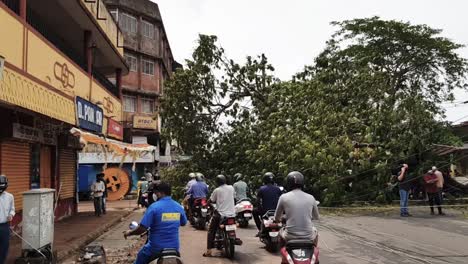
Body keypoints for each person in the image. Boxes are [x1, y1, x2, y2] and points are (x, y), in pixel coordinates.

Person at [123, 181, 187, 264]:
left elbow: (142, 228)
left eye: (155, 193)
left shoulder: (154, 207)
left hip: (155, 248)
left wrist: (129, 233)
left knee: (140, 257)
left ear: (160, 193)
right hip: (174, 248)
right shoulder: (178, 207)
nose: (155, 195)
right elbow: (183, 222)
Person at [274, 171, 319, 246]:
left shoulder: (283, 197)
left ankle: (283, 252)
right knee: (315, 231)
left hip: (290, 236)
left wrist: (279, 219)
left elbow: (277, 217)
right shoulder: (311, 197)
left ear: (288, 183)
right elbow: (316, 217)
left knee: (280, 231)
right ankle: (314, 250)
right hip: (308, 236)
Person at [203, 175, 237, 257]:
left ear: (217, 182)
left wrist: (205, 205)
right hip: (232, 214)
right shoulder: (231, 188)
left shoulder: (217, 190)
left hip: (221, 215)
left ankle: (209, 251)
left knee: (211, 230)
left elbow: (211, 200)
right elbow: (234, 197)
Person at [0, 175, 15, 264]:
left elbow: (12, 209)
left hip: (5, 226)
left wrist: (11, 215)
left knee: (4, 248)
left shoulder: (10, 197)